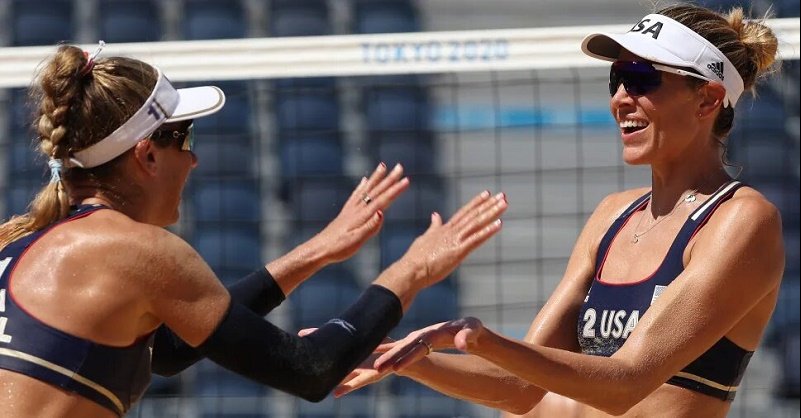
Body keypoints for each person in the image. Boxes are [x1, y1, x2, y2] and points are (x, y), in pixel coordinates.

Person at [0, 44, 509, 418]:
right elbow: (310, 370)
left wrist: (316, 253)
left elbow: (172, 352)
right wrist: (413, 269)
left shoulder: (25, 244)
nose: (195, 159)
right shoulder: (135, 251)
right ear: (147, 155)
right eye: (185, 138)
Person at [334, 4, 785, 417]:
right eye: (617, 79)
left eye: (644, 80)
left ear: (707, 99)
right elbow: (520, 388)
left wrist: (484, 340)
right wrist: (401, 359)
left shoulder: (740, 221)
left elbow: (627, 383)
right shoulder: (613, 215)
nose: (621, 98)